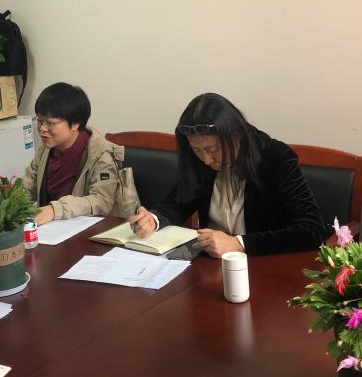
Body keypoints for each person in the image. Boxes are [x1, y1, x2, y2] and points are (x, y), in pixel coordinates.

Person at [128, 93, 325, 257]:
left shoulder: (275, 158)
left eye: (213, 149)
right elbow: (178, 202)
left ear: (236, 135)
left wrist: (239, 244)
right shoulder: (201, 161)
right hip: (212, 264)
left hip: (263, 265)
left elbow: (312, 230)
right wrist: (153, 219)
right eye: (197, 150)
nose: (206, 160)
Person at [23, 82, 124, 224]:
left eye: (50, 123)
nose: (42, 128)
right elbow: (28, 185)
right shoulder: (46, 148)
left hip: (89, 229)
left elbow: (102, 201)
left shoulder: (100, 153)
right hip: (52, 228)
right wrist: (4, 202)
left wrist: (56, 210)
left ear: (75, 123)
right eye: (39, 121)